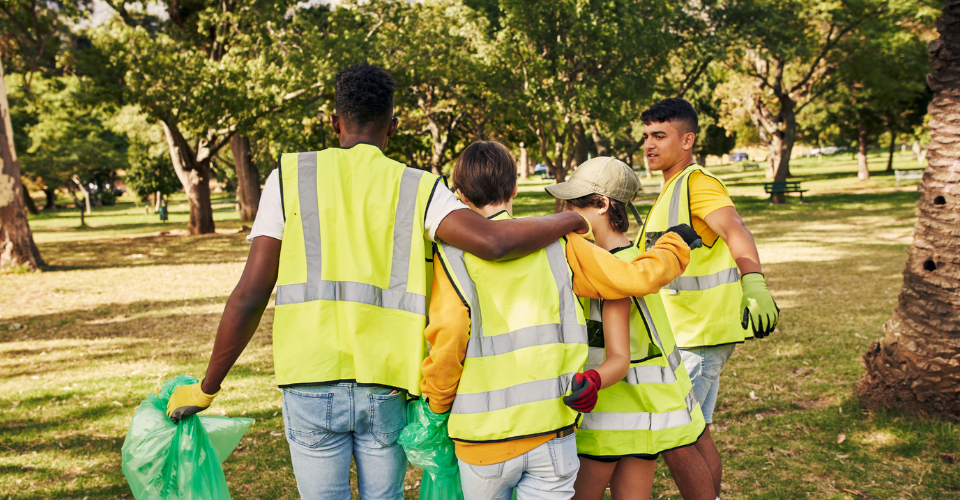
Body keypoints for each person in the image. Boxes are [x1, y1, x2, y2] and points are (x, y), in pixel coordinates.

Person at [163, 63, 597, 500]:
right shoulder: (419, 187)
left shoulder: (288, 177)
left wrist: (206, 388)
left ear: (335, 122)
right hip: (388, 385)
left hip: (309, 380)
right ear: (392, 126)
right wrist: (571, 217)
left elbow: (249, 296)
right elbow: (491, 241)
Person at [421, 141, 702, 500]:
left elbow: (450, 335)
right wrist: (674, 243)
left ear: (459, 195)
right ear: (514, 189)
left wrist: (436, 404)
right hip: (552, 433)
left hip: (482, 439)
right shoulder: (560, 244)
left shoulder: (450, 254)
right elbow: (632, 279)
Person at [547, 157, 717, 500]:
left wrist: (591, 380)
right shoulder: (635, 259)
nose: (565, 212)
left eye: (573, 203)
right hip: (645, 422)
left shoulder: (609, 271)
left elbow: (618, 356)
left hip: (603, 420)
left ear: (602, 204)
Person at [637, 98, 780, 498]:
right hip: (684, 332)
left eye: (659, 136)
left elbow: (736, 229)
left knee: (680, 437)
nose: (649, 144)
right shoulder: (670, 189)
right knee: (695, 433)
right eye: (646, 135)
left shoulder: (697, 184)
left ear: (687, 140)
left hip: (699, 333)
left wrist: (754, 283)